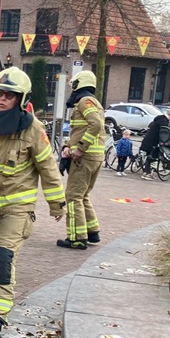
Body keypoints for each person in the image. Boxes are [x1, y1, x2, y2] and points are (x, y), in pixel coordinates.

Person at [0, 67, 65, 334]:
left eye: (9, 95)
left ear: (21, 98)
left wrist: (56, 203)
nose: (2, 100)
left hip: (17, 208)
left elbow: (48, 168)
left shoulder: (33, 130)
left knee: (2, 257)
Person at [58, 70, 106, 250]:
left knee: (73, 196)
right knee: (83, 195)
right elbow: (81, 129)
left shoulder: (85, 102)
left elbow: (96, 125)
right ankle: (92, 231)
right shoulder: (94, 102)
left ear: (79, 84)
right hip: (94, 157)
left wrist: (79, 148)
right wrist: (67, 145)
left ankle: (76, 238)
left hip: (84, 158)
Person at [140, 108, 170, 180]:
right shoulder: (164, 121)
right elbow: (164, 132)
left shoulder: (159, 119)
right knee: (151, 157)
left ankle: (147, 172)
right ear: (169, 115)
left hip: (148, 140)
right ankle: (147, 174)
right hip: (152, 142)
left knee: (150, 157)